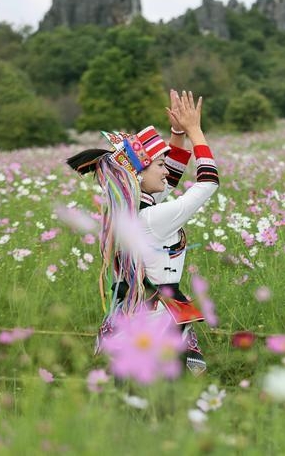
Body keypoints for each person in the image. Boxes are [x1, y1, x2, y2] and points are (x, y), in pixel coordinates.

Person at [66, 90, 219, 374]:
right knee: (161, 403)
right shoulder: (154, 218)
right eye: (159, 165)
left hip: (136, 316)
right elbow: (208, 183)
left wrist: (177, 133)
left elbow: (168, 179)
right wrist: (195, 130)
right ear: (137, 176)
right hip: (157, 325)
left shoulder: (132, 209)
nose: (166, 171)